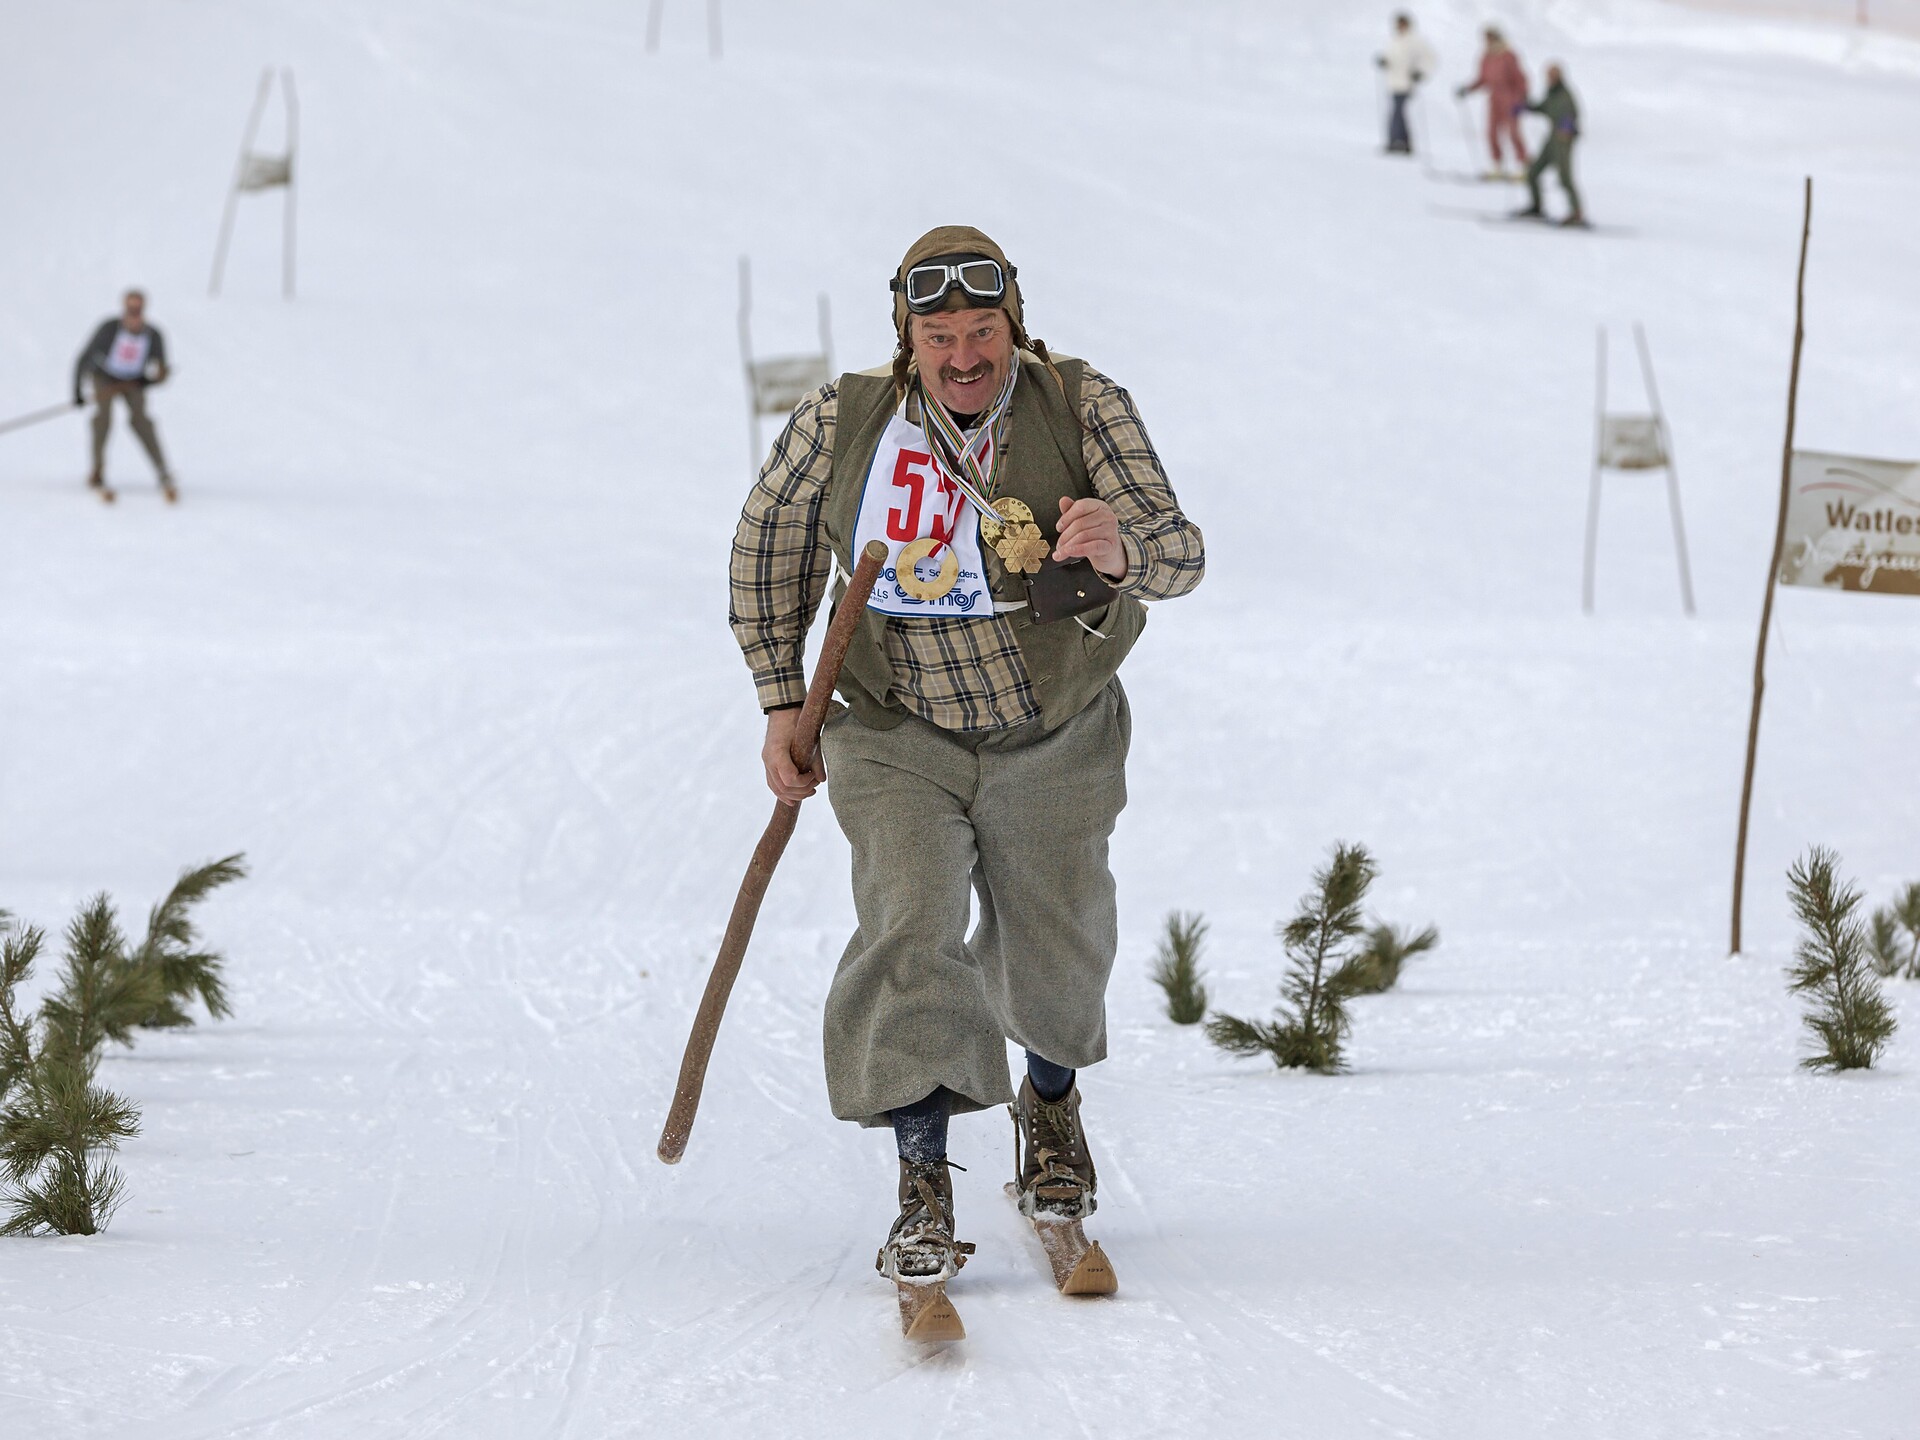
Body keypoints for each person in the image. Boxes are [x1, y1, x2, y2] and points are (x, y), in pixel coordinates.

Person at [729, 227, 1205, 1289]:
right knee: (911, 925)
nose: (961, 356)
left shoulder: (1081, 404)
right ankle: (922, 1176)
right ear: (907, 337)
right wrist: (778, 697)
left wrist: (1123, 547)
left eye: (980, 331)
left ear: (1013, 325)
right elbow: (769, 546)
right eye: (936, 335)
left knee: (1059, 940)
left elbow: (1182, 548)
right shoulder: (848, 421)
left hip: (1056, 731)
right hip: (899, 734)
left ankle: (1050, 1107)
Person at [73, 289, 176, 502]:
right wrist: (77, 391)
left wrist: (153, 379)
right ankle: (97, 471)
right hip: (105, 378)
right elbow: (84, 358)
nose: (134, 314)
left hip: (133, 382)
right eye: (131, 309)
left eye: (138, 309)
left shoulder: (153, 335)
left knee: (141, 421)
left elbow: (161, 371)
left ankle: (162, 470)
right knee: (103, 419)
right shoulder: (109, 329)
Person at [1456, 26, 1530, 180]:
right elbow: (1482, 79)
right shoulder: (1486, 57)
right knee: (1491, 133)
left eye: (1491, 38)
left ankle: (1524, 166)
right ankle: (1497, 166)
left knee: (1513, 132)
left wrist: (1522, 98)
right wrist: (1468, 89)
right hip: (1494, 98)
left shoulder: (1509, 56)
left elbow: (1520, 79)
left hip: (1511, 98)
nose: (1488, 42)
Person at [1516, 63, 1585, 227]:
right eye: (1548, 75)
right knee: (1533, 172)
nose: (1550, 78)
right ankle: (1536, 206)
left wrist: (1567, 127)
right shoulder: (1552, 94)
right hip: (1552, 138)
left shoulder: (1566, 95)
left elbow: (1573, 114)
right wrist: (1526, 107)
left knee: (1565, 177)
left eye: (1553, 75)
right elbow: (1544, 108)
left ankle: (1576, 213)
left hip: (1563, 141)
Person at [1376, 12, 1438, 156]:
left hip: (1406, 82)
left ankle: (1398, 142)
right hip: (1393, 81)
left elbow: (1430, 58)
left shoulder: (1416, 41)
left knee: (1398, 111)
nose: (1400, 26)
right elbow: (1390, 57)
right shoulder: (1394, 40)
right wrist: (1383, 61)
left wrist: (1420, 72)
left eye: (1402, 24)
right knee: (1397, 112)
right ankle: (1402, 142)